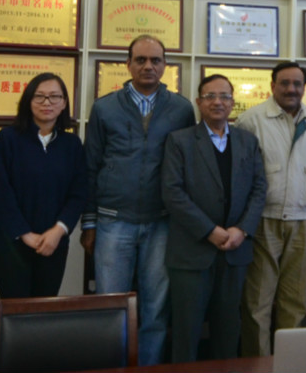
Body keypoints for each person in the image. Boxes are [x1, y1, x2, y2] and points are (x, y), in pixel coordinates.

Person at [81, 35, 195, 365]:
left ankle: (148, 367)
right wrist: (89, 222)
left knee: (156, 308)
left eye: (156, 60)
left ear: (165, 65)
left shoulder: (181, 109)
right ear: (128, 64)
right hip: (113, 220)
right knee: (111, 305)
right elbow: (90, 166)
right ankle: (113, 366)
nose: (148, 66)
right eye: (141, 60)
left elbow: (188, 166)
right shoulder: (104, 107)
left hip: (162, 222)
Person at [162, 74, 267, 362]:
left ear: (233, 103)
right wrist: (210, 230)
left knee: (228, 330)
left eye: (224, 96)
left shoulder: (247, 141)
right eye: (210, 96)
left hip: (235, 250)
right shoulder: (179, 141)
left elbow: (259, 189)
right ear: (199, 102)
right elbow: (172, 193)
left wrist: (242, 230)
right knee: (186, 331)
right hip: (192, 251)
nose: (217, 102)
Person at [236, 62, 306, 357]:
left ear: (304, 87)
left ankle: (290, 363)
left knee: (295, 302)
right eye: (285, 83)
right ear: (272, 86)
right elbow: (239, 177)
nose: (291, 89)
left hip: (305, 223)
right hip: (264, 221)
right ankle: (258, 364)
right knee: (258, 302)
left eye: (297, 84)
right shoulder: (251, 120)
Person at [0, 72, 87, 298]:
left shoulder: (72, 144)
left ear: (64, 103)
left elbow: (79, 193)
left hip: (54, 244)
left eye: (54, 97)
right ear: (28, 101)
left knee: (43, 309)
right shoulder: (8, 138)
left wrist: (59, 230)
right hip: (12, 244)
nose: (47, 103)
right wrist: (24, 233)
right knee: (14, 310)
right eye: (39, 96)